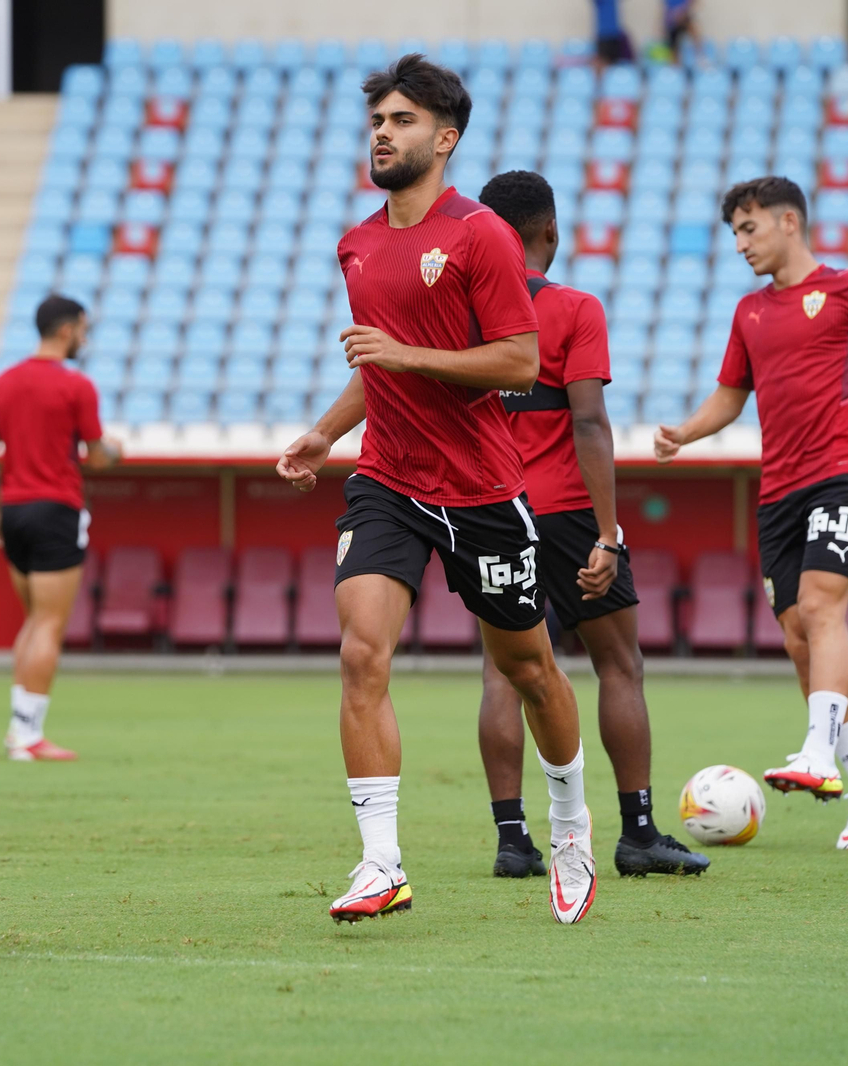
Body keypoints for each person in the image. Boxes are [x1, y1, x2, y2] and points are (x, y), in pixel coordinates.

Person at [277, 55, 596, 925]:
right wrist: (327, 431)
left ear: (445, 138)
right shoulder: (357, 243)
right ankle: (381, 864)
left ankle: (570, 824)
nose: (383, 133)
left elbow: (519, 362)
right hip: (387, 478)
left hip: (483, 489)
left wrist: (405, 357)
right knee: (361, 654)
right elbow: (378, 366)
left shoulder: (481, 235)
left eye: (402, 121)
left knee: (529, 669)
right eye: (377, 120)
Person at [654, 176, 848, 850]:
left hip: (844, 469)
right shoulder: (749, 312)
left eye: (749, 228)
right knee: (798, 637)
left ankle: (815, 754)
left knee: (819, 606)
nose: (740, 244)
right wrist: (684, 433)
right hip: (778, 490)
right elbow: (730, 397)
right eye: (735, 233)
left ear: (789, 222)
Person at [475, 170, 709, 879]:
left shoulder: (463, 318)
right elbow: (588, 421)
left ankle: (512, 841)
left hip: (491, 511)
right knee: (618, 664)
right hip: (569, 513)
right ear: (551, 229)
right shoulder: (574, 308)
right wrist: (609, 533)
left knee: (502, 673)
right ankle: (637, 834)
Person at [0, 294, 122, 762]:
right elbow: (97, 456)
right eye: (83, 330)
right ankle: (27, 735)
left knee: (34, 621)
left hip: (13, 511)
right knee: (49, 624)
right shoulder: (76, 386)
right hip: (56, 509)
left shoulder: (2, 383)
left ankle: (20, 730)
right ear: (66, 329)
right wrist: (116, 450)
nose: (84, 339)